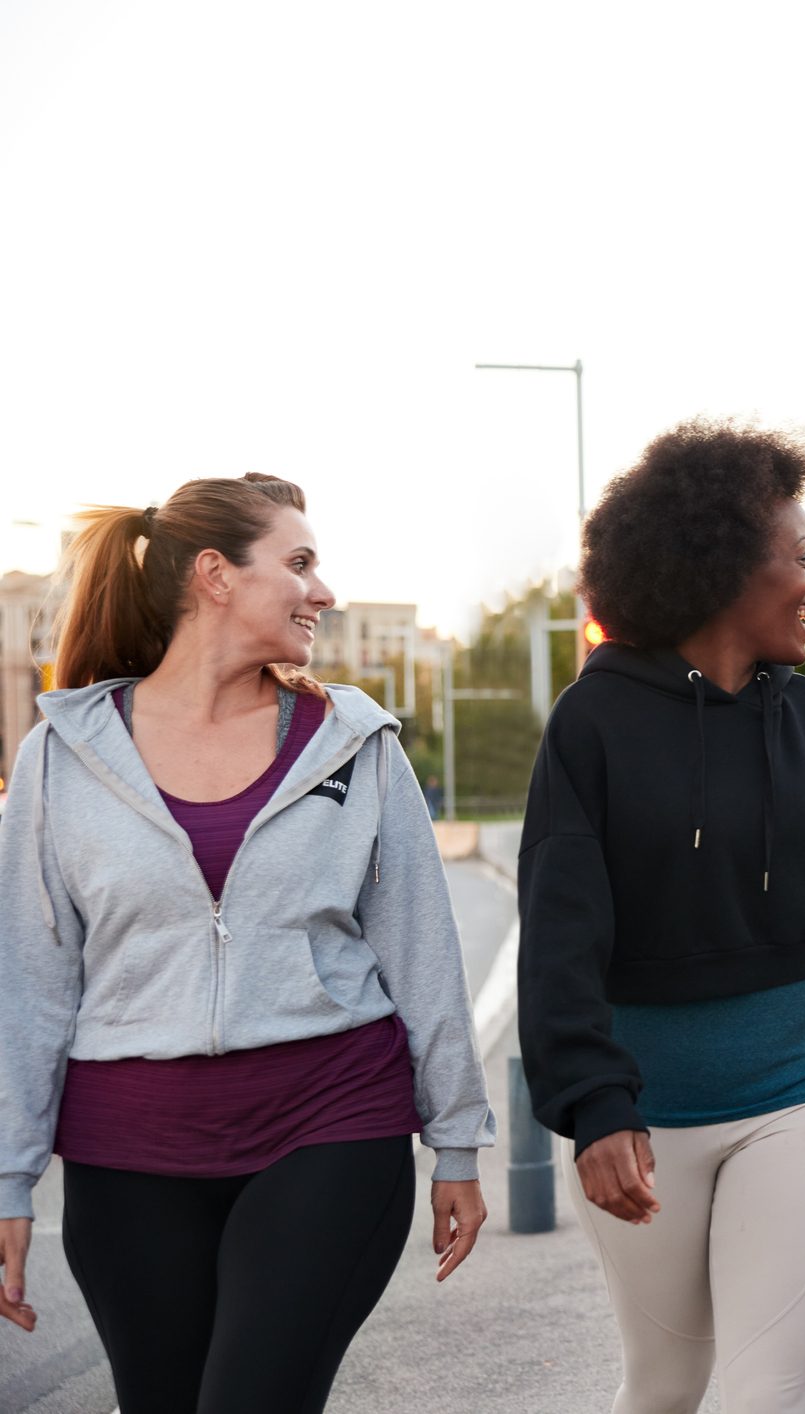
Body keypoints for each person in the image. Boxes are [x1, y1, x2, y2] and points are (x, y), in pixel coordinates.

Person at [0, 473, 494, 1414]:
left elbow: (422, 950)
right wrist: (9, 1175)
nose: (325, 590)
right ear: (216, 576)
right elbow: (29, 979)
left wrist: (459, 1143)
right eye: (300, 564)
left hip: (330, 1126)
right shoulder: (63, 755)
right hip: (129, 1150)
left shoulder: (353, 742)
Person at [517, 419, 805, 1414]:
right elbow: (557, 930)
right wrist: (590, 1100)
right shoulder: (591, 725)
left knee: (767, 1391)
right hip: (642, 1112)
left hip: (796, 1087)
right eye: (800, 555)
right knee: (667, 1382)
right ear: (721, 561)